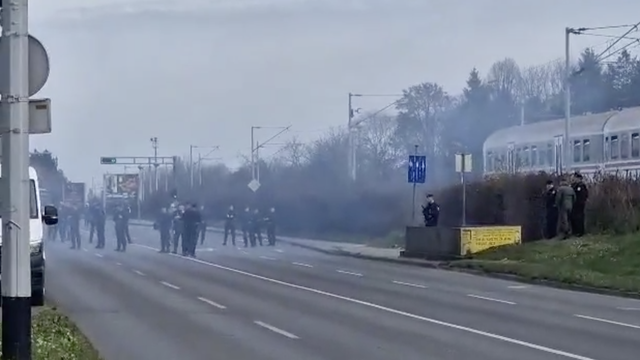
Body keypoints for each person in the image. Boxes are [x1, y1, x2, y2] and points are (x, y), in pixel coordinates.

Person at [571, 172, 589, 237]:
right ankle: (575, 231)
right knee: (574, 218)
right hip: (575, 204)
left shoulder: (581, 186)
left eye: (575, 178)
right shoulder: (574, 185)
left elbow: (584, 195)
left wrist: (581, 201)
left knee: (579, 218)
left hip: (579, 204)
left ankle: (580, 232)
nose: (574, 179)